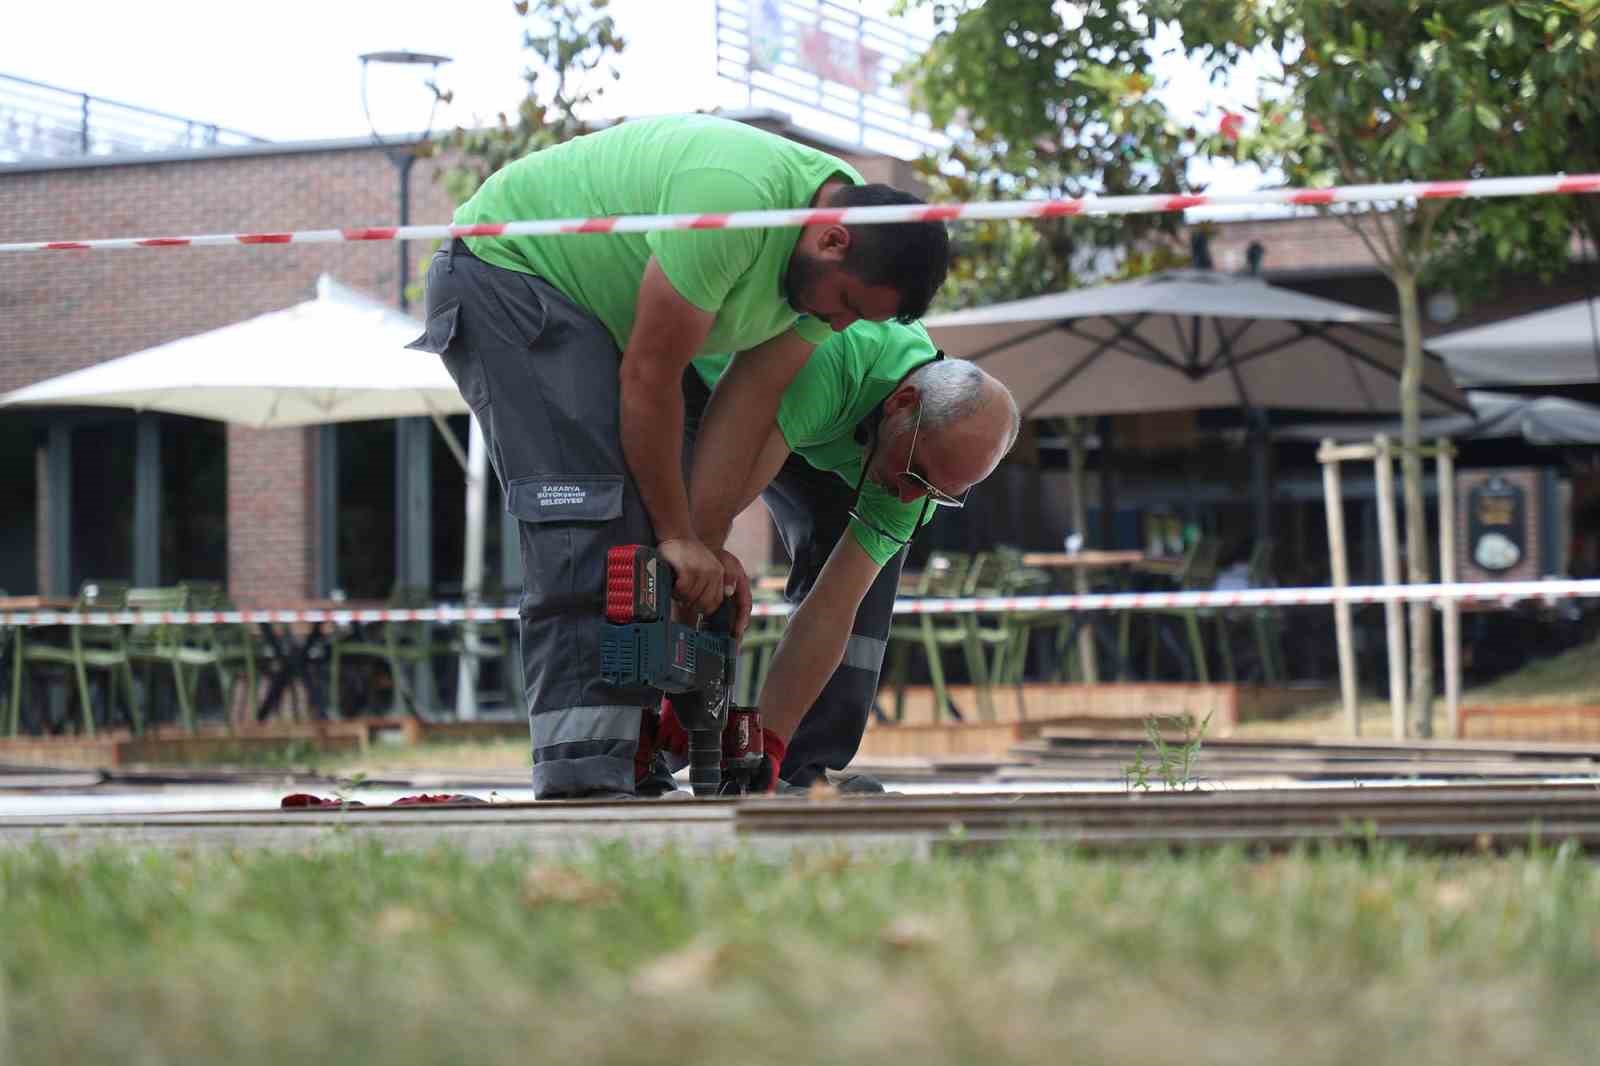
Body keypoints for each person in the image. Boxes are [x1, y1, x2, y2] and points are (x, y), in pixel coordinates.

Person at [407, 112, 950, 799]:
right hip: (508, 276)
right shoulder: (737, 205)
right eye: (843, 304)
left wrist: (702, 545)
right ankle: (585, 772)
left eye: (854, 318)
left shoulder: (822, 271)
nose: (839, 325)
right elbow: (651, 375)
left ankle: (631, 759)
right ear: (832, 240)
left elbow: (746, 409)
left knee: (650, 545)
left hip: (591, 313)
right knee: (591, 513)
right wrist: (675, 535)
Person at [643, 319, 1020, 793]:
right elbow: (706, 533)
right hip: (718, 385)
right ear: (903, 405)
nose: (910, 497)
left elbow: (832, 607)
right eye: (917, 475)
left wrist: (769, 754)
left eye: (935, 493)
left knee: (862, 596)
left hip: (839, 438)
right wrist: (686, 678)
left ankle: (790, 765)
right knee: (673, 546)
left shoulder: (917, 474)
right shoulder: (831, 362)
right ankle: (637, 743)